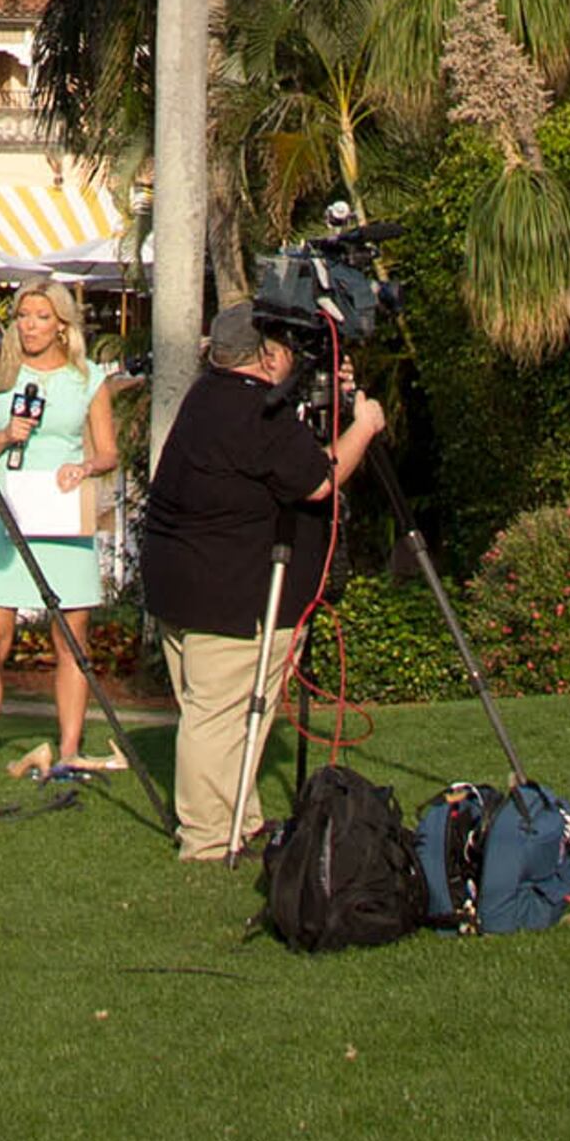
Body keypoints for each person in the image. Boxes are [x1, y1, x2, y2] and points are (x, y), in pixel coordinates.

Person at [138, 304, 382, 863]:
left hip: (183, 583)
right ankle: (205, 837)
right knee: (217, 715)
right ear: (269, 354)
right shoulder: (257, 414)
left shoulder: (208, 397)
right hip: (231, 592)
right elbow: (319, 482)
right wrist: (363, 427)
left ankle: (236, 820)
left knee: (213, 710)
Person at [0, 286, 122, 782]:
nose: (29, 325)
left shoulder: (88, 379)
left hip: (62, 515)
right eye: (23, 316)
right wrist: (5, 437)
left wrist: (85, 466)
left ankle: (69, 749)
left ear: (62, 326)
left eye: (41, 316)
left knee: (71, 637)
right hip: (6, 515)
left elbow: (109, 453)